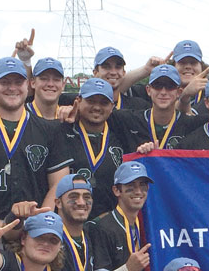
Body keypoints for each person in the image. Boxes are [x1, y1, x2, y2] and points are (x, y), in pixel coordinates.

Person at [0, 56, 74, 271]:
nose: (12, 88)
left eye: (18, 82)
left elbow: (59, 184)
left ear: (28, 85)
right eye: (5, 82)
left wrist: (40, 220)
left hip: (36, 228)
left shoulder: (50, 130)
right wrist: (2, 228)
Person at [55, 78, 151, 217]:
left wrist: (146, 150)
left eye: (104, 103)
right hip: (71, 223)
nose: (97, 107)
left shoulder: (121, 136)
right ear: (78, 101)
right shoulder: (63, 132)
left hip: (109, 225)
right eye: (91, 101)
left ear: (112, 107)